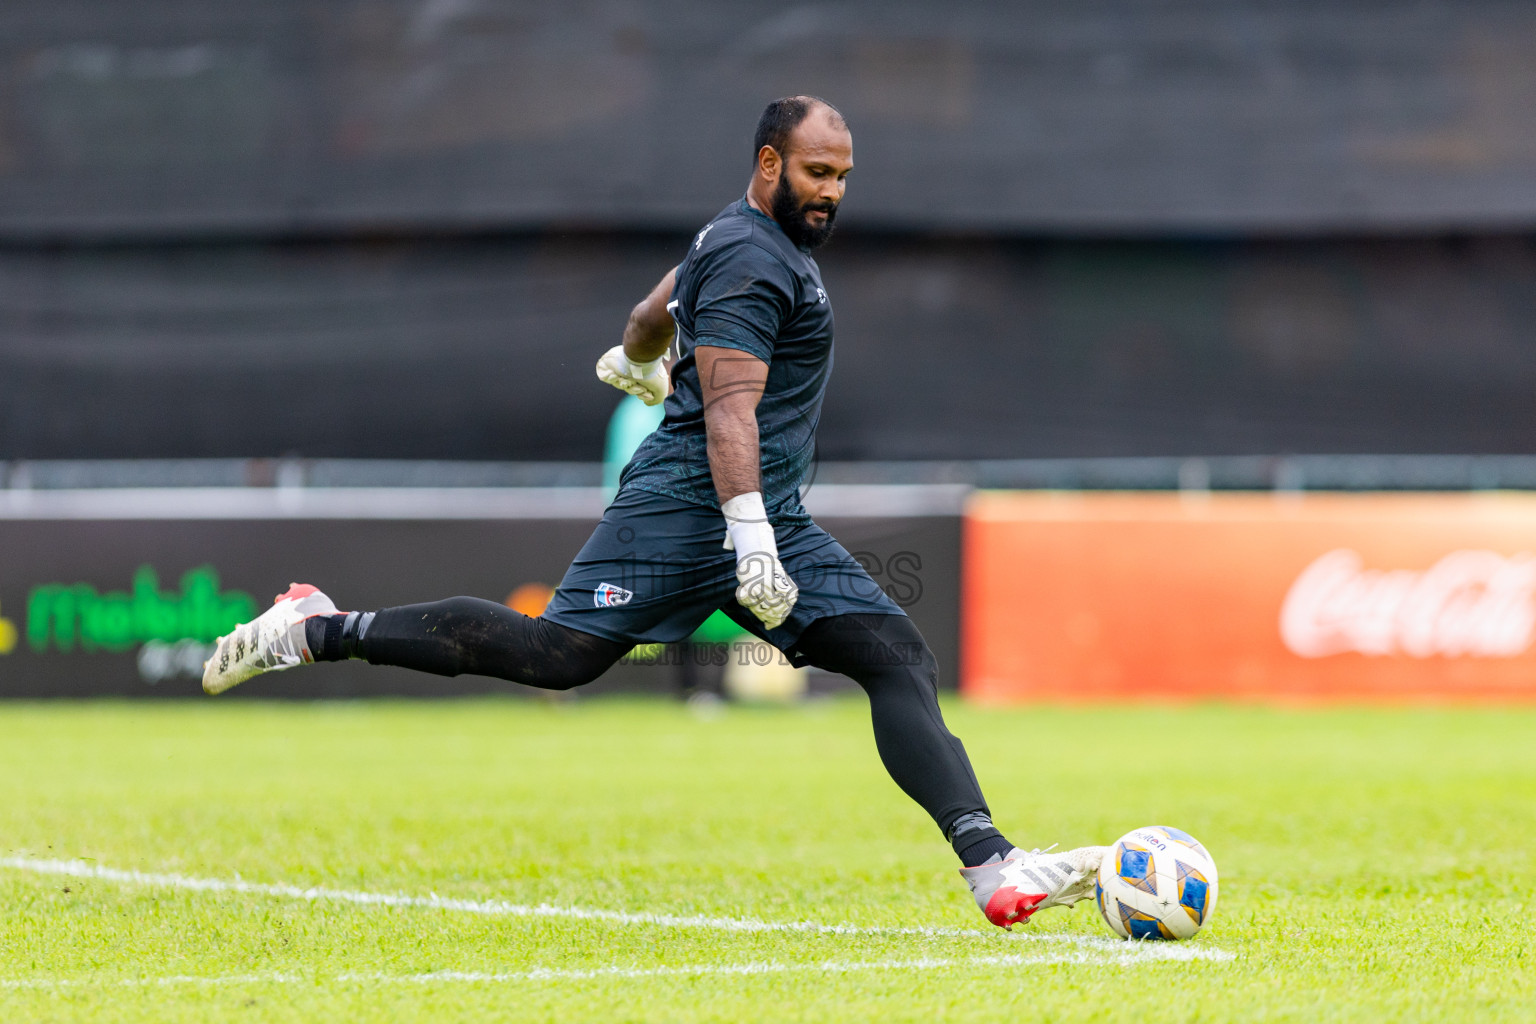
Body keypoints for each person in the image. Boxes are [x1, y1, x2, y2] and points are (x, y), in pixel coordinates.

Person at [202, 96, 1104, 929]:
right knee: (556, 657)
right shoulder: (753, 256)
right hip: (685, 510)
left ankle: (991, 865)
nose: (831, 193)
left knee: (898, 659)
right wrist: (750, 534)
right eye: (816, 173)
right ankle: (319, 628)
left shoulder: (730, 239)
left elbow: (649, 311)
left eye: (842, 177)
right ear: (767, 163)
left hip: (765, 513)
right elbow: (729, 412)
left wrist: (636, 358)